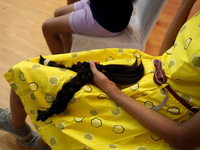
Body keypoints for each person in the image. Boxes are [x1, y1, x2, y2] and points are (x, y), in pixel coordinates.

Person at [0, 0, 200, 149]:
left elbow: (182, 138)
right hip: (150, 72)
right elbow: (166, 55)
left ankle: (33, 137)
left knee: (38, 78)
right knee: (37, 76)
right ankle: (31, 134)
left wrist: (111, 88)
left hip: (163, 102)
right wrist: (187, 4)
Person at [42, 0, 134, 54]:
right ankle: (68, 57)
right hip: (103, 9)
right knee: (58, 13)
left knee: (47, 28)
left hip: (107, 19)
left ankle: (65, 70)